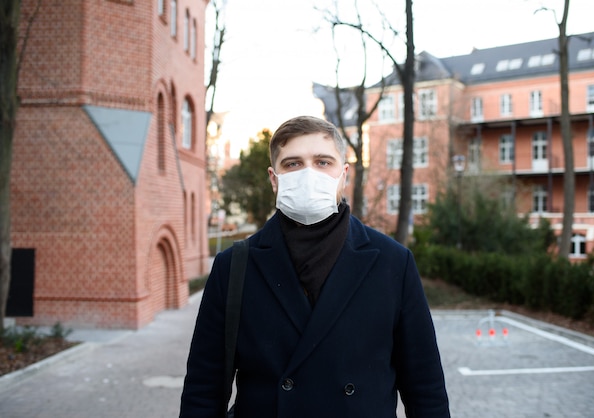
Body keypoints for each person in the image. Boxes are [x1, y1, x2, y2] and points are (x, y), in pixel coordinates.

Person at [180, 115, 450, 417]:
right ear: (274, 178)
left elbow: (425, 388)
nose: (309, 174)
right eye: (293, 164)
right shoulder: (234, 266)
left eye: (323, 162)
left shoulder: (392, 262)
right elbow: (203, 389)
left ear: (344, 175)